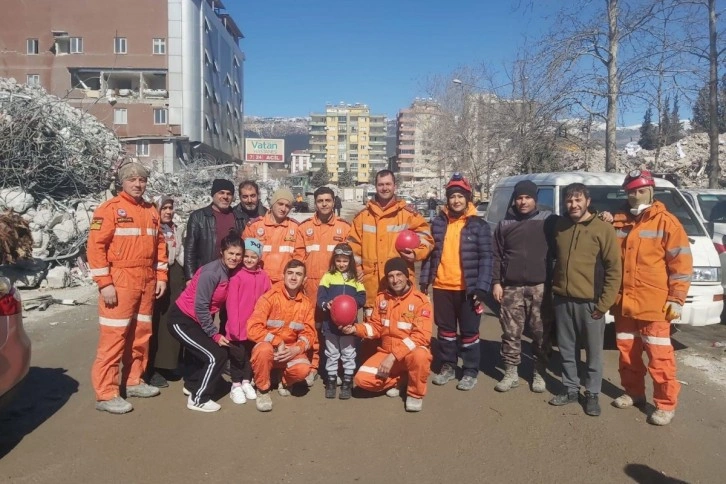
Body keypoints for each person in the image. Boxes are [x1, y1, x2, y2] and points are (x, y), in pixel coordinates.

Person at [610, 170, 692, 426]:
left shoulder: (667, 222)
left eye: (640, 191)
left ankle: (665, 405)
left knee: (659, 357)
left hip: (654, 304)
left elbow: (681, 264)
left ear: (651, 191)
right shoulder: (618, 222)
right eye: (631, 191)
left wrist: (676, 299)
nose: (635, 196)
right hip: (624, 303)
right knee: (627, 353)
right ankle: (634, 393)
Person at [88, 161, 168, 414]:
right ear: (122, 182)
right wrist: (105, 283)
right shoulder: (109, 209)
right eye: (132, 180)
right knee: (114, 338)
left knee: (141, 335)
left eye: (142, 180)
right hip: (120, 280)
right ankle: (106, 393)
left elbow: (161, 246)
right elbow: (95, 247)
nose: (138, 184)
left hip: (146, 280)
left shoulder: (150, 210)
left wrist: (162, 276)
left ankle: (134, 380)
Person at [548, 183, 622, 416]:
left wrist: (604, 304)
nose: (574, 204)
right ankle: (570, 389)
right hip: (562, 300)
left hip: (591, 303)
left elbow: (614, 269)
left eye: (578, 200)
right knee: (567, 350)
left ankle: (592, 394)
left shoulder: (603, 228)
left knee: (593, 353)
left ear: (588, 201)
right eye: (570, 201)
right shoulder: (560, 226)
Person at [420, 173, 492, 391]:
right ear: (447, 199)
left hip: (468, 289)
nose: (456, 200)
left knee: (469, 332)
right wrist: (424, 282)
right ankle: (448, 366)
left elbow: (487, 258)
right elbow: (429, 255)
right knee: (445, 331)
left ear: (467, 198)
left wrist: (482, 287)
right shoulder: (438, 223)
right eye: (452, 196)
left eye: (460, 196)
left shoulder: (479, 225)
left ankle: (470, 370)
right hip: (442, 287)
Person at [491, 180, 557, 393]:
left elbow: (575, 222)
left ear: (535, 199)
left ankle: (539, 372)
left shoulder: (548, 221)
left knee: (540, 333)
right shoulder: (505, 224)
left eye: (527, 197)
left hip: (540, 286)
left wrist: (601, 215)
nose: (523, 202)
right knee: (511, 333)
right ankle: (511, 373)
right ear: (515, 199)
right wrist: (496, 282)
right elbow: (496, 256)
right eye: (519, 197)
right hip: (511, 287)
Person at [343, 258, 433, 412]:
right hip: (386, 353)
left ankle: (414, 393)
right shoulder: (381, 299)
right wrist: (355, 329)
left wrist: (393, 357)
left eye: (399, 275)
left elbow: (421, 337)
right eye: (391, 276)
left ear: (407, 276)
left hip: (408, 354)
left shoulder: (421, 301)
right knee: (361, 380)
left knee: (420, 356)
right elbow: (375, 328)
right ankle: (401, 379)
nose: (395, 280)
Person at [168, 232, 243, 412]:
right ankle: (199, 398)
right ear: (222, 252)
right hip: (182, 320)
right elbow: (201, 306)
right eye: (230, 253)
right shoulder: (212, 272)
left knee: (215, 353)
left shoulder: (228, 271)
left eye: (238, 254)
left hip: (197, 321)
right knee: (214, 356)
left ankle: (193, 385)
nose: (234, 258)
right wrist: (214, 334)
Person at [348, 169, 433, 319]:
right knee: (371, 335)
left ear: (395, 186)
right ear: (376, 186)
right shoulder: (363, 217)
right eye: (381, 184)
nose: (384, 188)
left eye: (388, 184)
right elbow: (352, 246)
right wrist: (358, 268)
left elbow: (426, 237)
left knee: (400, 331)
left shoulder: (407, 215)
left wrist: (415, 253)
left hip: (400, 285)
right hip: (372, 287)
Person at [294, 186, 351, 386]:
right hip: (310, 287)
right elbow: (298, 258)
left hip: (336, 288)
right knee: (312, 327)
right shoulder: (304, 228)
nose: (324, 204)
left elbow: (351, 259)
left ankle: (341, 367)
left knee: (338, 327)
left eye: (328, 200)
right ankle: (313, 365)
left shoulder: (344, 228)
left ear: (334, 202)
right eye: (320, 201)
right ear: (315, 203)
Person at [247, 259, 316, 412]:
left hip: (289, 351)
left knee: (304, 369)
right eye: (290, 273)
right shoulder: (269, 297)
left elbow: (309, 333)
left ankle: (284, 380)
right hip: (270, 347)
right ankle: (263, 390)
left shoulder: (306, 303)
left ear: (304, 280)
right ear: (283, 275)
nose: (293, 277)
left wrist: (296, 349)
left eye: (298, 274)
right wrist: (276, 342)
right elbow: (252, 328)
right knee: (263, 350)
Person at [225, 238, 271, 404]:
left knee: (250, 356)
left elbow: (268, 299)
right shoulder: (237, 276)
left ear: (259, 258)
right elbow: (231, 304)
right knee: (237, 357)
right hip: (237, 327)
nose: (249, 260)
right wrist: (234, 327)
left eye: (253, 257)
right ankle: (235, 385)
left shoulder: (264, 277)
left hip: (255, 327)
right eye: (246, 256)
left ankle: (246, 381)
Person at [317, 243, 366, 400]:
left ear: (350, 261)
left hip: (349, 325)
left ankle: (347, 380)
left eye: (345, 260)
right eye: (338, 260)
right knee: (332, 353)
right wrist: (327, 304)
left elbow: (362, 298)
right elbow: (320, 298)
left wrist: (353, 304)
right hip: (330, 324)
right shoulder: (328, 276)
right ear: (334, 260)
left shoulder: (355, 278)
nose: (341, 264)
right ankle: (331, 380)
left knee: (348, 353)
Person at [146, 195, 185, 388]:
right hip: (157, 277)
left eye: (171, 208)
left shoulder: (174, 229)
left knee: (170, 322)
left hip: (175, 277)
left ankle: (167, 364)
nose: (168, 212)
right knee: (154, 323)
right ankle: (150, 369)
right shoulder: (151, 229)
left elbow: (180, 253)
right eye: (164, 208)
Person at [184, 178, 247, 282]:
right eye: (221, 193)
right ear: (213, 194)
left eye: (229, 194)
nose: (225, 197)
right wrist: (190, 277)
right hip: (206, 274)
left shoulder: (240, 218)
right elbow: (190, 249)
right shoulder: (199, 217)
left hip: (233, 275)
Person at [243, 188, 299, 284]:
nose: (283, 209)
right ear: (272, 204)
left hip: (284, 283)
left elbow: (299, 257)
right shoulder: (254, 226)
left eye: (287, 206)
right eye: (280, 204)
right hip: (259, 281)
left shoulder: (296, 228)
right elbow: (244, 256)